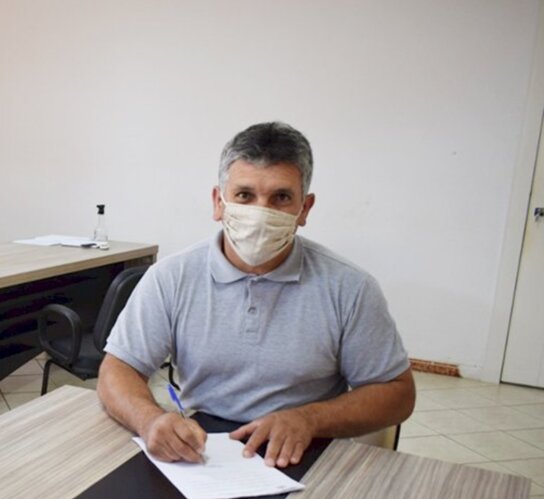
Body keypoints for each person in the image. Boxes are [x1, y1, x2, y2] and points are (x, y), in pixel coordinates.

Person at [98, 122, 415, 469]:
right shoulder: (171, 277)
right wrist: (150, 420)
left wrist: (309, 419)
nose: (260, 213)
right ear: (219, 202)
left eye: (280, 197)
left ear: (304, 209)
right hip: (204, 450)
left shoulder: (349, 287)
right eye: (245, 195)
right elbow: (118, 368)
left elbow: (397, 394)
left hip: (308, 447)